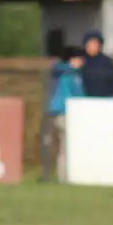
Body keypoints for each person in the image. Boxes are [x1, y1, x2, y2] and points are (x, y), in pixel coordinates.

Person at [46, 47, 86, 182]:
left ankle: (63, 175)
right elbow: (78, 95)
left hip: (58, 111)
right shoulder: (71, 75)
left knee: (63, 145)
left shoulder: (63, 73)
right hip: (65, 112)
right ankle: (65, 177)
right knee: (66, 145)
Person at [80, 31, 113, 98]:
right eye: (89, 44)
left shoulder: (107, 61)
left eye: (95, 44)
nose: (92, 47)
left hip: (105, 99)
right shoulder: (81, 61)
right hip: (85, 99)